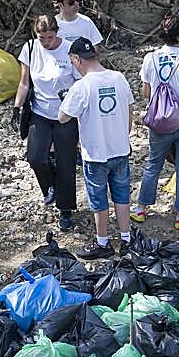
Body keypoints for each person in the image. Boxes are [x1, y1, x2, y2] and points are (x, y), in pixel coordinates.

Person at [58, 37, 134, 259]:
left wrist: (66, 98)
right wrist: (122, 134)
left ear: (77, 59)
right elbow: (130, 111)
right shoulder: (119, 78)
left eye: (73, 62)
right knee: (121, 196)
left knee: (99, 199)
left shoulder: (82, 86)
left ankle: (103, 243)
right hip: (120, 149)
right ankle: (127, 239)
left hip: (95, 154)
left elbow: (63, 117)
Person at [132, 14, 179, 231]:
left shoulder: (149, 59)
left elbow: (146, 93)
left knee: (153, 164)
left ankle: (140, 209)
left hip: (159, 121)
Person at [11, 15, 80, 231]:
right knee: (36, 157)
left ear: (57, 33)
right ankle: (50, 187)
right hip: (40, 111)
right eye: (42, 38)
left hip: (66, 113)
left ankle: (66, 209)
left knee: (66, 163)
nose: (46, 42)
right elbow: (24, 82)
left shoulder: (69, 50)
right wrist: (16, 108)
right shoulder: (30, 48)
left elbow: (81, 82)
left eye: (50, 37)